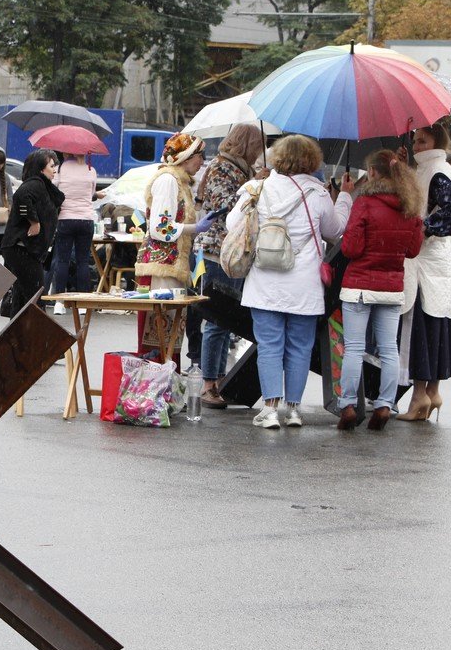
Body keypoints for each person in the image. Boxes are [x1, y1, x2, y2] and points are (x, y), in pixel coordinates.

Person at [228, 134, 353, 429]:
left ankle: (270, 409)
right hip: (304, 284)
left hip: (265, 281)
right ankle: (294, 410)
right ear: (312, 160)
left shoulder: (257, 189)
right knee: (300, 346)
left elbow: (234, 225)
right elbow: (335, 231)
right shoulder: (319, 194)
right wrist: (345, 196)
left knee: (270, 345)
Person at [336, 150, 424, 431]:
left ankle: (348, 405)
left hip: (359, 286)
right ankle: (385, 404)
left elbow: (350, 248)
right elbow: (412, 250)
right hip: (391, 287)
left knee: (354, 348)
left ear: (372, 173)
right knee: (389, 349)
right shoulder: (409, 206)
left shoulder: (365, 204)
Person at [194, 122, 266, 409]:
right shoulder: (223, 168)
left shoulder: (237, 169)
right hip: (218, 251)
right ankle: (209, 382)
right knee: (217, 318)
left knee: (227, 319)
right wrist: (252, 188)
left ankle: (219, 378)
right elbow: (224, 207)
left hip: (232, 252)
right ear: (246, 144)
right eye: (257, 146)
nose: (260, 153)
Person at [398, 123, 451, 421]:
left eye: (422, 141)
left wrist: (422, 229)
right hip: (436, 262)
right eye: (415, 140)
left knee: (421, 326)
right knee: (436, 325)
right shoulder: (432, 168)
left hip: (426, 261)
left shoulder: (436, 170)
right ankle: (433, 392)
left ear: (436, 141)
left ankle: (419, 397)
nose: (416, 146)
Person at [137, 133, 205, 295]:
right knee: (163, 319)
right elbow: (161, 229)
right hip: (162, 268)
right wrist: (195, 227)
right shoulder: (168, 180)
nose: (202, 162)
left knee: (174, 319)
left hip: (173, 266)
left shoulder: (181, 182)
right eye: (200, 156)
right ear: (186, 157)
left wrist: (200, 200)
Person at [0, 148, 64, 312]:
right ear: (41, 168)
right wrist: (34, 221)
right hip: (21, 249)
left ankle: (18, 333)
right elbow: (21, 199)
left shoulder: (44, 186)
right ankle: (34, 331)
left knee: (23, 297)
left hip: (28, 250)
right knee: (35, 295)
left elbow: (56, 201)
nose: (55, 170)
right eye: (51, 166)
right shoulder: (34, 184)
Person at [49, 151, 103, 313]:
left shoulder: (60, 169)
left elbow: (54, 191)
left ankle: (59, 302)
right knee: (83, 261)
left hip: (65, 219)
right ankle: (83, 303)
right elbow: (91, 193)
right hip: (86, 220)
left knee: (63, 260)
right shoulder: (90, 170)